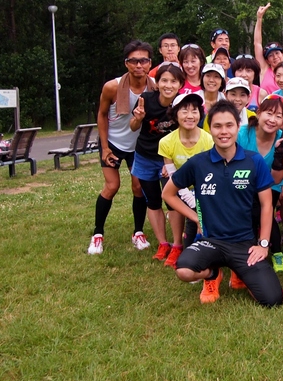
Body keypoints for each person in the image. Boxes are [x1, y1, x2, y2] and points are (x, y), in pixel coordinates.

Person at [162, 100, 283, 306]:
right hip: (210, 240)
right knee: (184, 270)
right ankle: (213, 273)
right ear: (210, 128)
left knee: (272, 299)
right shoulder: (198, 163)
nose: (223, 131)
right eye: (217, 126)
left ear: (238, 127)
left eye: (229, 125)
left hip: (244, 243)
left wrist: (263, 244)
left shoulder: (253, 161)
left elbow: (266, 205)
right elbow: (168, 194)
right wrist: (195, 217)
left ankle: (240, 271)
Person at [88, 40, 156, 255]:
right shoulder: (112, 86)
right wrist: (105, 147)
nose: (139, 65)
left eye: (143, 60)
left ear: (150, 63)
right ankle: (98, 234)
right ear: (126, 63)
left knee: (138, 188)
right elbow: (101, 114)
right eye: (134, 61)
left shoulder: (155, 86)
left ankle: (138, 232)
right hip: (114, 142)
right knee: (112, 186)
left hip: (139, 146)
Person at [130, 63, 183, 263]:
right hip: (145, 157)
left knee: (172, 202)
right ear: (157, 82)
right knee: (152, 201)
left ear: (180, 84)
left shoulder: (181, 104)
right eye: (164, 80)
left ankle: (177, 244)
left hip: (168, 159)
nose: (168, 85)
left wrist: (168, 162)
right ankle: (163, 243)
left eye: (173, 81)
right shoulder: (146, 101)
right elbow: (133, 127)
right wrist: (138, 118)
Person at [237, 95, 283, 273]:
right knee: (252, 208)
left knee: (261, 207)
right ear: (258, 113)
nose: (272, 119)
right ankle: (253, 247)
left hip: (270, 184)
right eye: (269, 113)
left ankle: (276, 252)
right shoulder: (243, 133)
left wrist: (278, 155)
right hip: (243, 181)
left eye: (278, 116)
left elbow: (277, 178)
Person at [158, 92, 214, 266]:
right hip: (181, 189)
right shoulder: (166, 142)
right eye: (184, 110)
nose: (190, 115)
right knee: (194, 216)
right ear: (175, 114)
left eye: (194, 110)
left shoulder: (209, 140)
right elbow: (173, 178)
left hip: (207, 187)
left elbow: (213, 175)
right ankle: (185, 247)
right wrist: (193, 205)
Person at [253, 3, 283, 94]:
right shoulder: (265, 70)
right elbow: (257, 43)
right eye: (270, 55)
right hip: (267, 107)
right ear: (267, 60)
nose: (275, 57)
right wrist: (259, 18)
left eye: (277, 53)